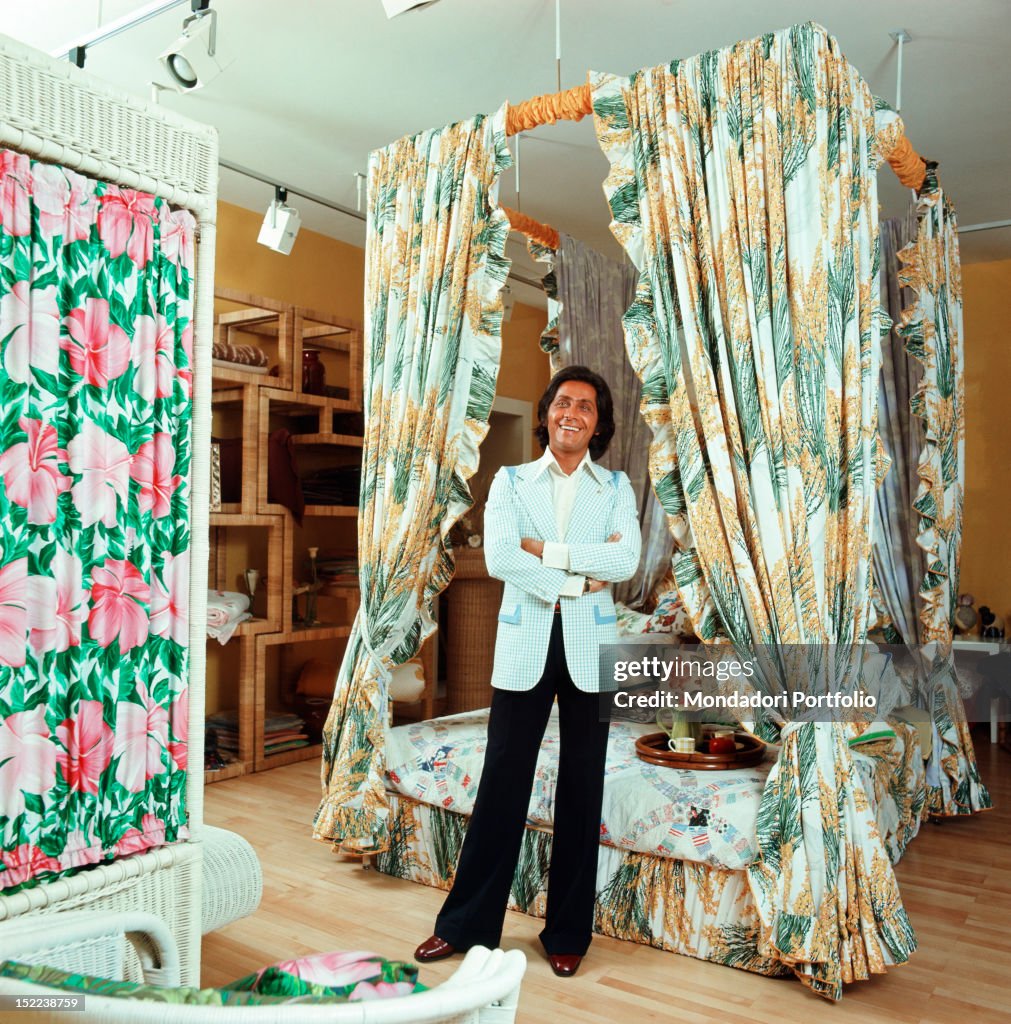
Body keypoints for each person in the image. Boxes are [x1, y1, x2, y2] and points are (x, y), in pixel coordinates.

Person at [415, 365, 641, 978]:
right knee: (501, 784)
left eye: (587, 407)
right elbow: (502, 557)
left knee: (581, 788)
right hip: (524, 650)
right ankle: (464, 925)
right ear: (545, 413)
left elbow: (626, 557)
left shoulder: (615, 486)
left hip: (591, 651)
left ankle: (567, 933)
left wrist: (551, 553)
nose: (573, 413)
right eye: (563, 403)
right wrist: (577, 579)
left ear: (599, 424)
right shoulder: (512, 482)